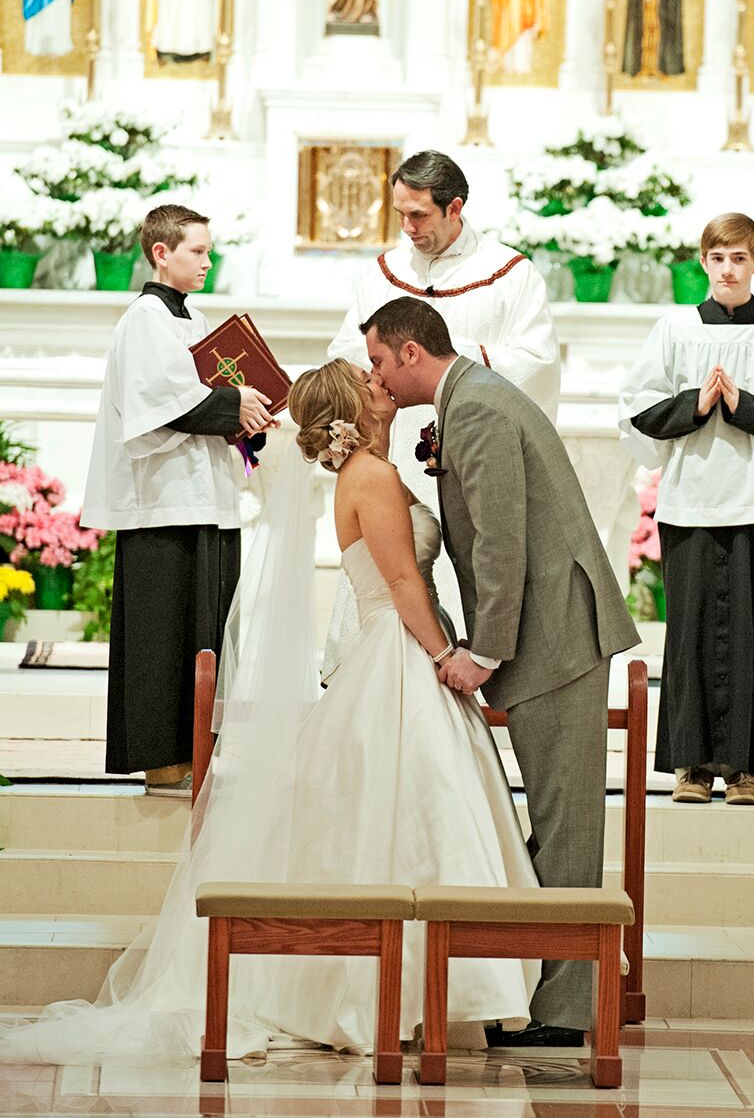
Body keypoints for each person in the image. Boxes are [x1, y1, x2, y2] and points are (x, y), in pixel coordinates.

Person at [0, 358, 538, 1064]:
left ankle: (419, 992)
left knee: (409, 813)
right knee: (410, 810)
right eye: (371, 381)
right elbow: (404, 581)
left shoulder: (375, 469)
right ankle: (394, 994)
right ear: (355, 407)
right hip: (399, 651)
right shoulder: (369, 478)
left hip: (395, 652)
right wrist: (448, 657)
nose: (384, 384)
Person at [363, 297, 639, 1047]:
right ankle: (557, 998)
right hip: (548, 632)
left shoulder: (478, 407)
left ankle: (568, 1012)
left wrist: (483, 651)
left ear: (412, 352)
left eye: (382, 361)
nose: (377, 376)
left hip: (554, 637)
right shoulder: (470, 399)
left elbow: (501, 541)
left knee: (565, 825)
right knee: (555, 824)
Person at [618, 213, 754, 806]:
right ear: (704, 263)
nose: (728, 269)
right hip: (690, 502)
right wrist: (696, 402)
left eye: (740, 259)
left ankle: (749, 771)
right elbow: (638, 408)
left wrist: (741, 405)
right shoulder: (674, 329)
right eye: (718, 259)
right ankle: (691, 767)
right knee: (688, 634)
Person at [327, 149, 560, 664]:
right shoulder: (382, 273)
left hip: (476, 453)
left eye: (419, 215)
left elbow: (538, 362)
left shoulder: (509, 272)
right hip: (397, 453)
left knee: (475, 566)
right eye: (400, 214)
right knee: (395, 574)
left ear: (455, 208)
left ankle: (474, 666)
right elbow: (344, 353)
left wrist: (450, 367)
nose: (407, 228)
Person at [81, 204, 275, 796]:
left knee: (208, 631)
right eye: (197, 251)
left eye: (210, 251)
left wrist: (254, 411)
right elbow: (160, 403)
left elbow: (217, 388)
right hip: (163, 505)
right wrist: (233, 403)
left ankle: (199, 750)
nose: (207, 261)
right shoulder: (143, 320)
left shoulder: (196, 318)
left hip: (209, 500)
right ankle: (163, 759)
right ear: (161, 252)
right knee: (162, 636)